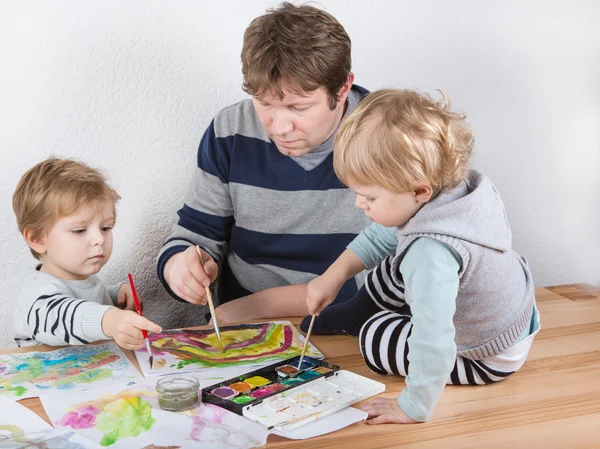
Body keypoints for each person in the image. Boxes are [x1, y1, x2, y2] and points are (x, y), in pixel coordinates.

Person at [303, 89, 540, 424]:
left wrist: (412, 405)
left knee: (374, 336)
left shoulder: (429, 254)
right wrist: (334, 275)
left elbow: (434, 340)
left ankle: (363, 320)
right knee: (395, 257)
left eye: (368, 196)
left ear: (419, 191)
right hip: (515, 312)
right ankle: (359, 310)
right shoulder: (453, 188)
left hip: (488, 353)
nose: (359, 204)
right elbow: (386, 233)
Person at [157, 2, 371, 323]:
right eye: (265, 103)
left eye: (299, 108)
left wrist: (259, 306)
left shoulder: (387, 135)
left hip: (356, 323)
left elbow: (403, 265)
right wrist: (180, 267)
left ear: (342, 88)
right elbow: (196, 235)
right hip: (244, 327)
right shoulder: (229, 131)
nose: (279, 127)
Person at [12, 157, 162, 348]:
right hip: (49, 378)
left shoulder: (81, 280)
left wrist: (116, 295)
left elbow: (83, 296)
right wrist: (110, 319)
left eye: (106, 228)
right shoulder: (36, 297)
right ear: (38, 239)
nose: (99, 239)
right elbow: (66, 316)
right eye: (80, 230)